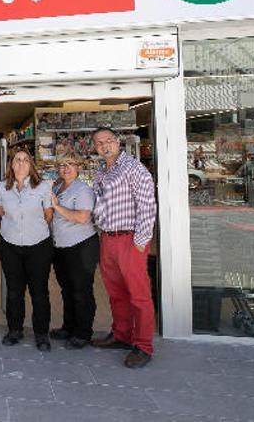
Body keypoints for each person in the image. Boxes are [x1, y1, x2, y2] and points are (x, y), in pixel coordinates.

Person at [90, 127, 157, 369]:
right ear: (95, 147)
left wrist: (140, 242)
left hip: (129, 239)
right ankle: (122, 334)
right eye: (99, 143)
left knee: (139, 295)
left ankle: (143, 346)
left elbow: (148, 207)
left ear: (117, 142)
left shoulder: (134, 168)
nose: (105, 146)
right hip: (108, 238)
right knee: (116, 292)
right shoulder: (101, 172)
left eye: (108, 141)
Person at [0, 149, 55, 351]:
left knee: (39, 292)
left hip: (38, 245)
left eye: (25, 160)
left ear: (31, 164)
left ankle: (41, 334)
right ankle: (15, 330)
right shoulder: (2, 188)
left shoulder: (43, 187)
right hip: (10, 244)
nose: (21, 163)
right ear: (11, 164)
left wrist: (30, 229)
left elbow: (48, 215)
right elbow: (1, 213)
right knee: (14, 291)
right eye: (17, 160)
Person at [49, 153, 99, 349]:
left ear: (78, 167)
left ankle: (83, 332)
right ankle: (68, 327)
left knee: (81, 290)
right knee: (67, 289)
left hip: (81, 246)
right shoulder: (57, 186)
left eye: (70, 164)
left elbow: (81, 218)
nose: (66, 168)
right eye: (61, 165)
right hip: (60, 246)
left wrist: (56, 206)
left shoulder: (83, 190)